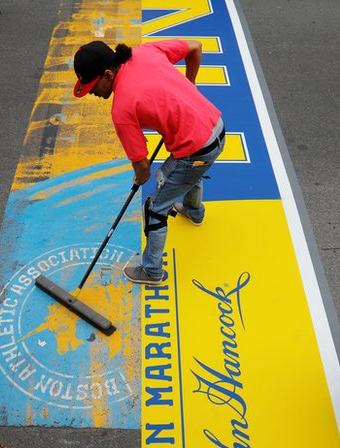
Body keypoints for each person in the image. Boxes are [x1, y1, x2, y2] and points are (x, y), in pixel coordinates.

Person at [71, 40, 225, 285]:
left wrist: (139, 178)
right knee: (182, 169)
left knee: (154, 208)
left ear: (108, 74)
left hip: (197, 151)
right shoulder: (145, 51)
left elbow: (143, 168)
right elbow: (195, 48)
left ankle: (152, 271)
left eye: (92, 86)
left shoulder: (121, 109)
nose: (92, 93)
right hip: (216, 127)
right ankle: (194, 211)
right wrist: (190, 85)